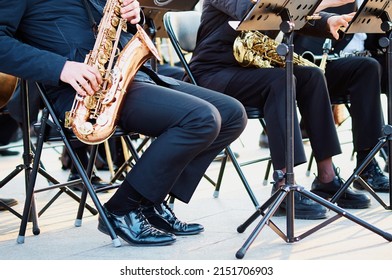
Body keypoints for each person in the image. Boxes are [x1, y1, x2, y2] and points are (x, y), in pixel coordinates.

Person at [0, 0, 247, 246]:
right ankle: (122, 209)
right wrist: (61, 68)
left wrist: (132, 16)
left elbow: (105, 26)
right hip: (84, 93)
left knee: (232, 114)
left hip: (124, 76)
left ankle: (150, 202)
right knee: (202, 118)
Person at [188, 0, 371, 220]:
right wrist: (322, 2)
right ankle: (285, 184)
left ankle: (326, 179)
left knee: (312, 75)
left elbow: (287, 15)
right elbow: (256, 11)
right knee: (281, 80)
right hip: (214, 73)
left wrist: (327, 20)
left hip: (252, 69)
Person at [293, 1, 389, 192]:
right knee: (367, 67)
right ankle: (367, 166)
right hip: (321, 62)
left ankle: (377, 159)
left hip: (362, 63)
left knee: (375, 65)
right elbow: (300, 16)